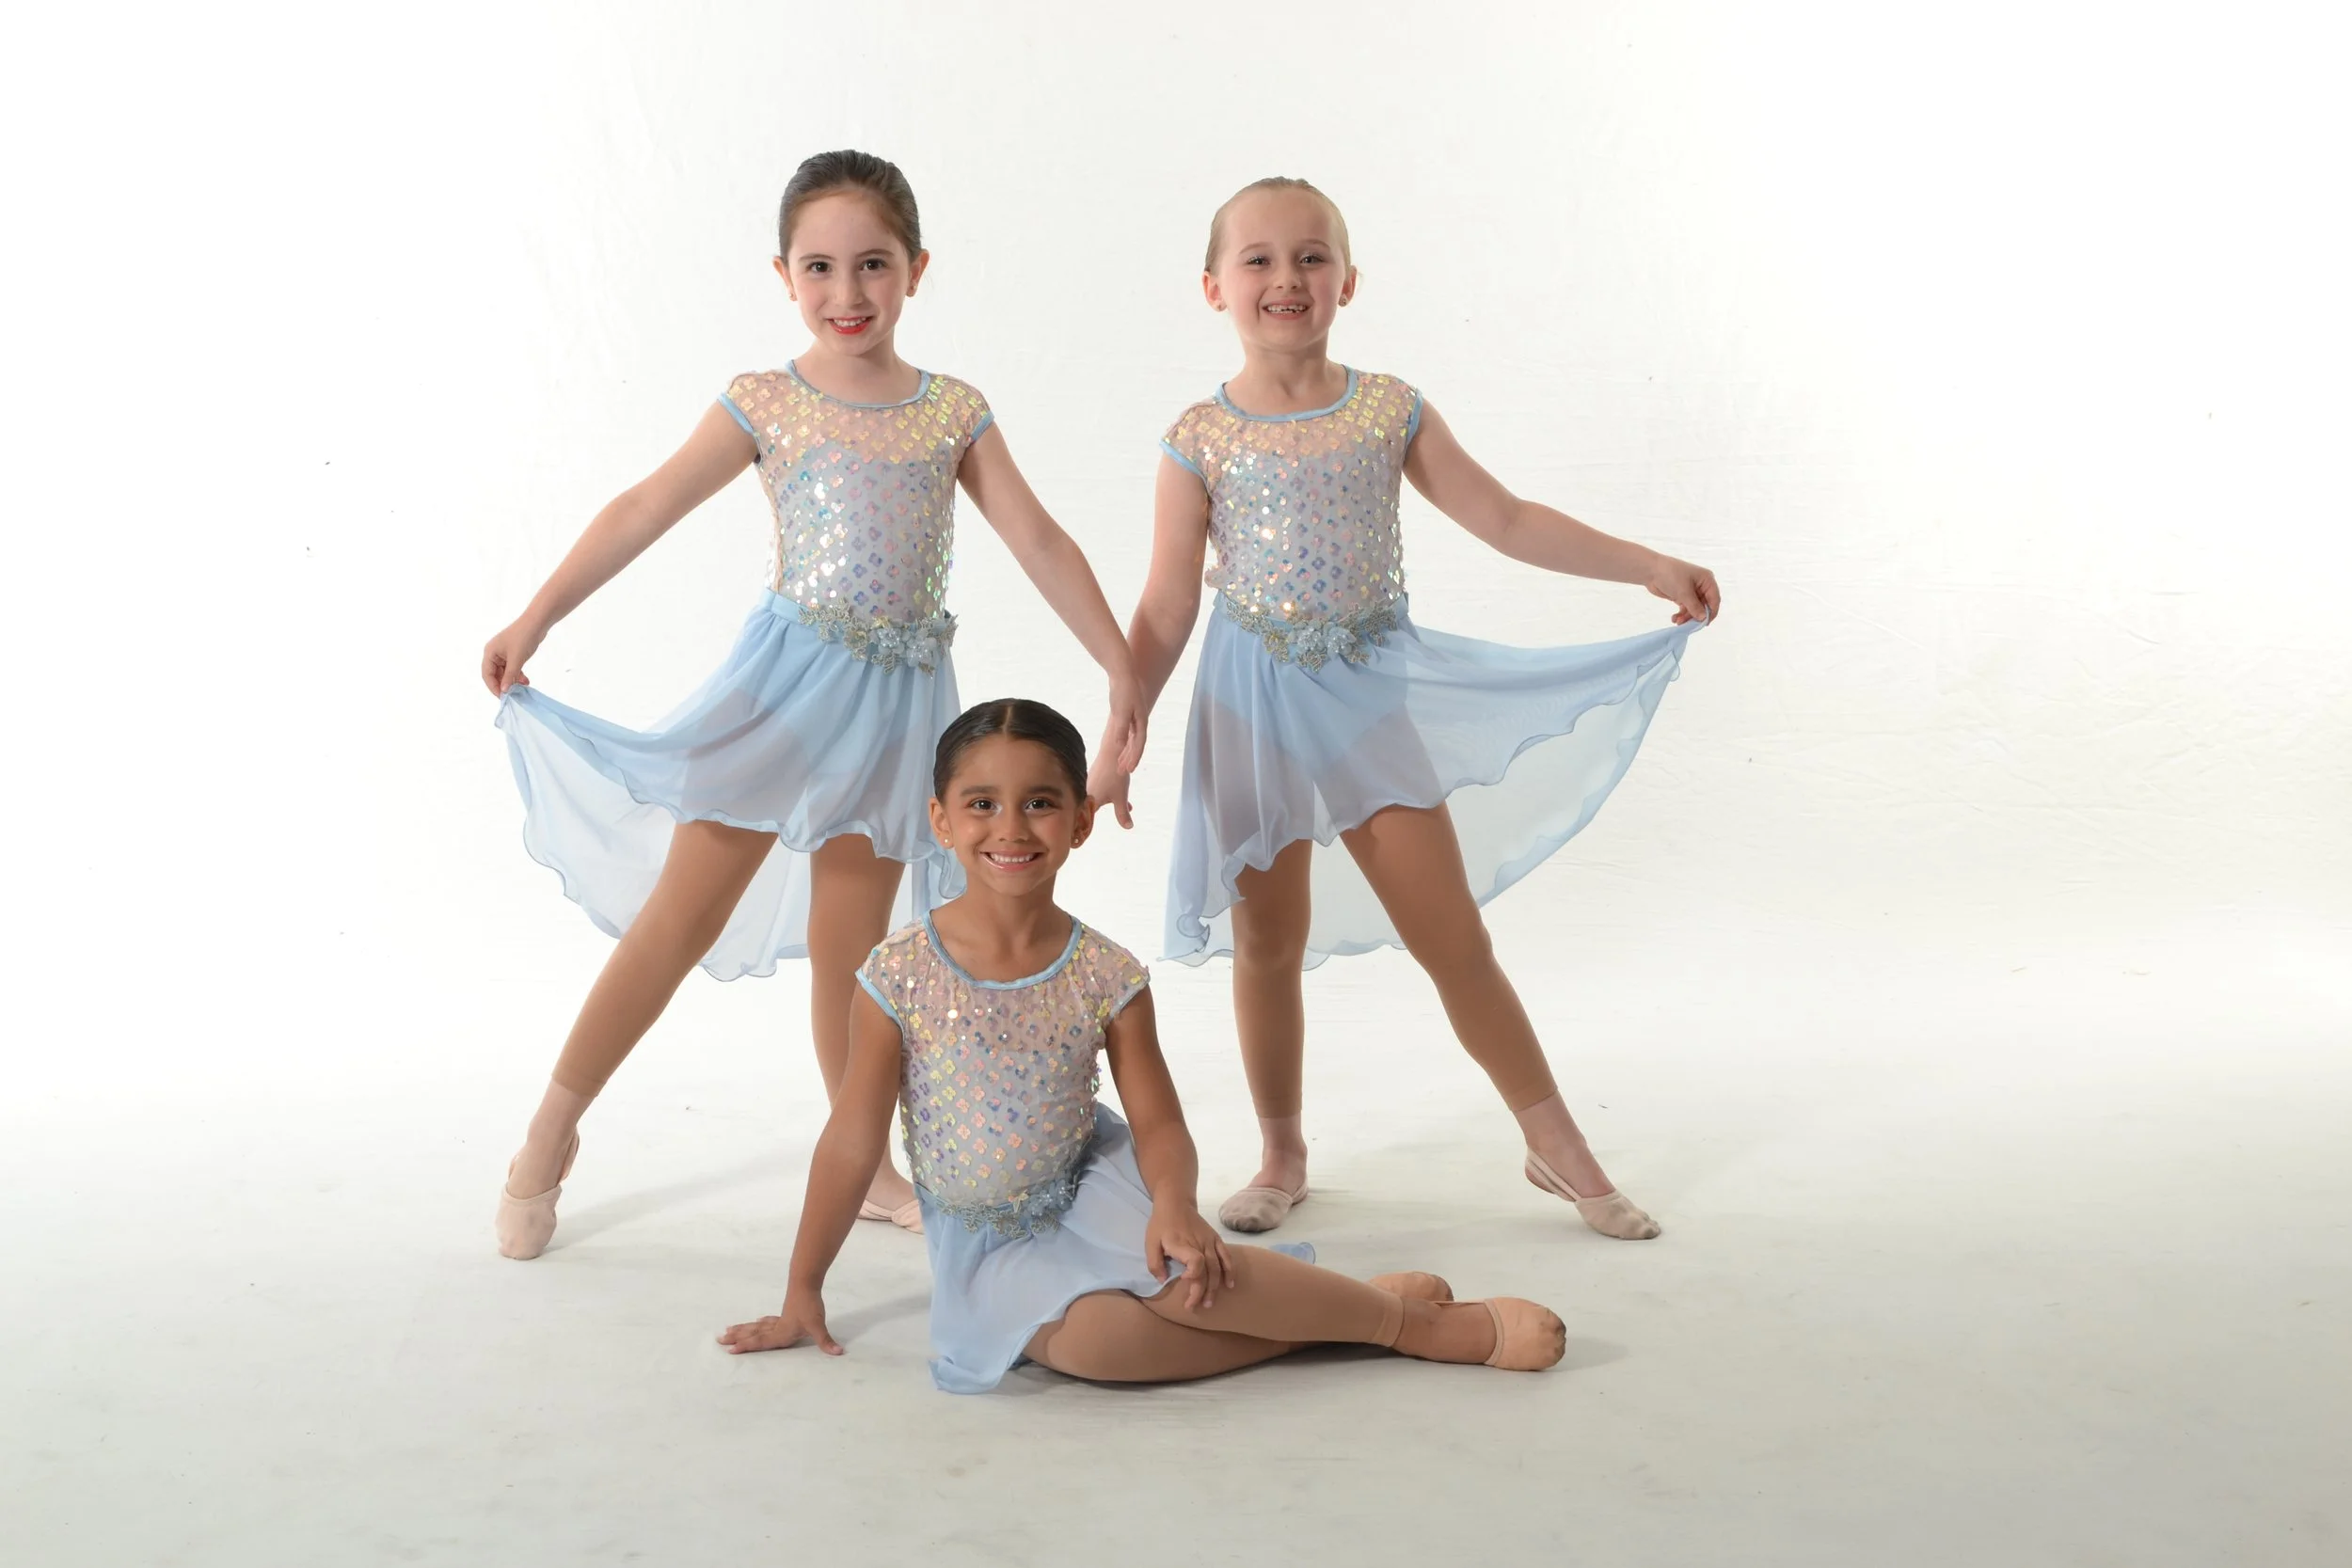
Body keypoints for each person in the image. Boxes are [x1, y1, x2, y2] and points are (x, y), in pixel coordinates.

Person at [481, 151, 1142, 1259]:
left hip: (895, 708)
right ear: (784, 274)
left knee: (856, 945)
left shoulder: (951, 412)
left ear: (916, 270)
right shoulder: (767, 401)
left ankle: (866, 1160)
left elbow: (1036, 537)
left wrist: (1123, 670)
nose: (848, 294)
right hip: (784, 690)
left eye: (872, 265)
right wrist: (537, 613)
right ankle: (549, 1129)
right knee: (679, 916)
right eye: (822, 267)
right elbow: (646, 503)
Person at [1090, 177, 1722, 1241]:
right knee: (1267, 939)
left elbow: (1505, 517)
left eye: (1309, 257)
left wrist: (1643, 562)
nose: (1285, 279)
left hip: (1367, 695)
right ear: (1213, 287)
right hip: (1248, 704)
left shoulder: (1386, 407)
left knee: (1452, 936)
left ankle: (1554, 1142)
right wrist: (1124, 724)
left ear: (1347, 279)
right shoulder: (1197, 436)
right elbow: (1163, 600)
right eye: (1257, 260)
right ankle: (1282, 1149)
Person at [720, 700, 1565, 1390]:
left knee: (1191, 1280)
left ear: (1081, 820)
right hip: (987, 1238)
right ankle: (1339, 1319)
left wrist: (1173, 1201)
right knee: (1100, 1348)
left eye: (1040, 801)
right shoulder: (898, 973)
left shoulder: (1104, 971)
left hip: (1096, 1183)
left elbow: (1157, 1120)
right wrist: (803, 1289)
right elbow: (851, 1138)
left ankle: (1411, 1327)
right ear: (941, 820)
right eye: (982, 803)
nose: (1010, 826)